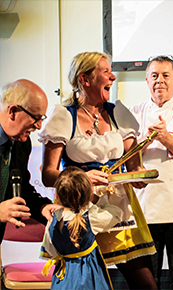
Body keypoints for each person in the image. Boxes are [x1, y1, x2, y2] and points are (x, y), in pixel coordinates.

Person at [39, 52, 158, 289]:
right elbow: (48, 175)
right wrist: (82, 178)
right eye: (105, 71)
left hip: (118, 206)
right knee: (82, 282)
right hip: (79, 208)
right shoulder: (64, 116)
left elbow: (134, 165)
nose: (112, 76)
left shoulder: (118, 113)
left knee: (146, 284)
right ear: (85, 79)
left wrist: (139, 176)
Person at [129, 55, 173, 289]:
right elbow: (123, 157)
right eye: (154, 76)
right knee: (149, 282)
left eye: (165, 75)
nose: (160, 81)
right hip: (145, 210)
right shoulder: (134, 112)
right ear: (147, 81)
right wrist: (147, 140)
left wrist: (166, 138)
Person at [43, 166, 122, 290]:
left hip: (64, 275)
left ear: (57, 195)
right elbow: (116, 215)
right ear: (90, 192)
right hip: (88, 272)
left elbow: (50, 249)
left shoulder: (53, 218)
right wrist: (99, 200)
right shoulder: (91, 216)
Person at [0, 79, 60, 234]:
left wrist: (43, 206)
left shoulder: (21, 143)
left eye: (42, 118)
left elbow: (22, 190)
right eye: (36, 117)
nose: (39, 125)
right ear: (12, 111)